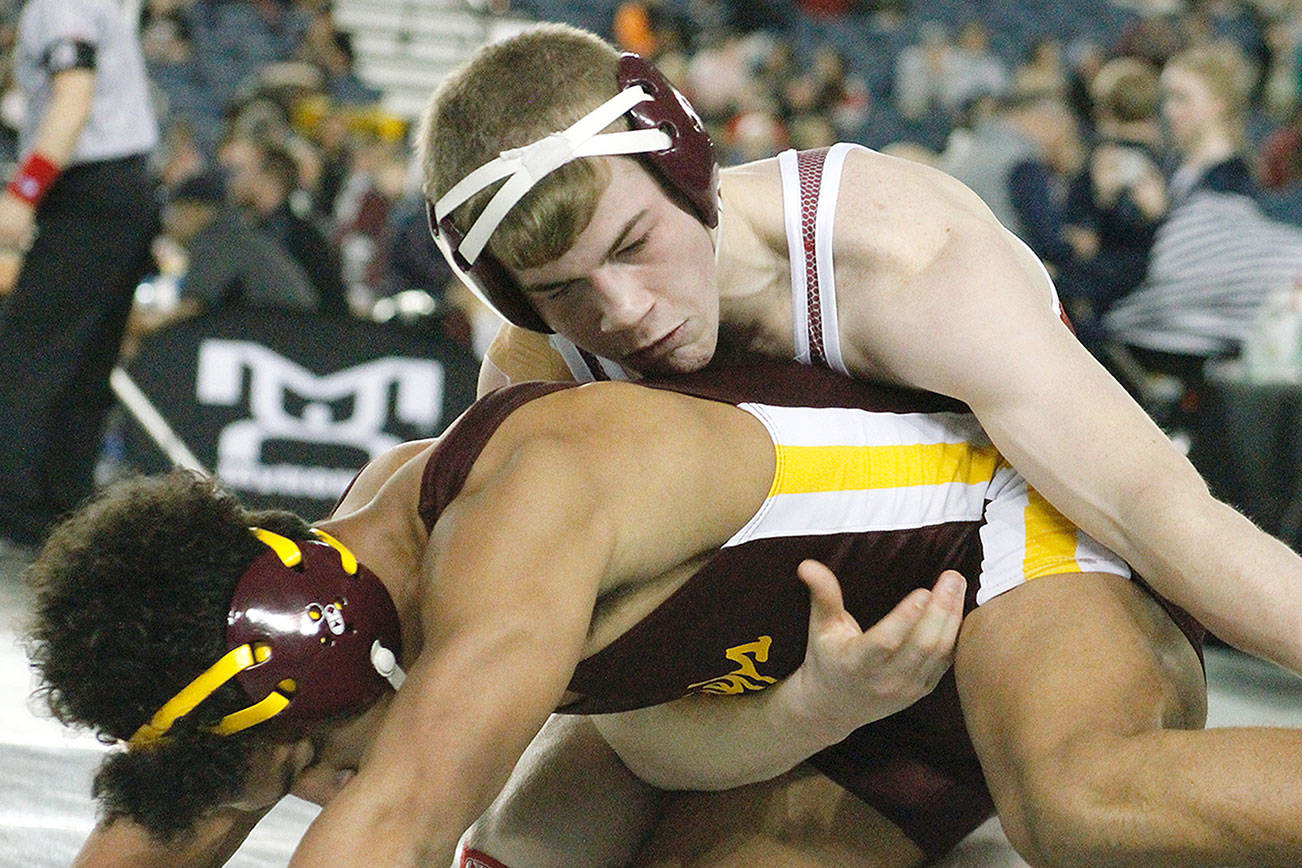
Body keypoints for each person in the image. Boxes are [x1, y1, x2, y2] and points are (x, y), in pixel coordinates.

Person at [47, 360, 1302, 868]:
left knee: (1080, 795)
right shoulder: (347, 587)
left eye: (310, 760)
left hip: (1007, 544)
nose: (316, 788)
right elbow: (185, 803)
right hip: (840, 695)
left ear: (337, 659)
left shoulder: (522, 516)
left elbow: (400, 817)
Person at [420, 21, 1302, 683]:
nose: (624, 313)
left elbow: (1160, 513)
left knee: (1082, 798)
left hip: (1024, 573)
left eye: (633, 244)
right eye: (562, 292)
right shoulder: (538, 366)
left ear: (690, 170)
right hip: (812, 652)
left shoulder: (893, 251)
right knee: (544, 823)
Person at [0, 0, 160, 548]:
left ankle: (15, 508)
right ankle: (62, 509)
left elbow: (74, 100)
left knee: (30, 351)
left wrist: (24, 191)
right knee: (87, 362)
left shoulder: (59, 3)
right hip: (127, 190)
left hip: (89, 193)